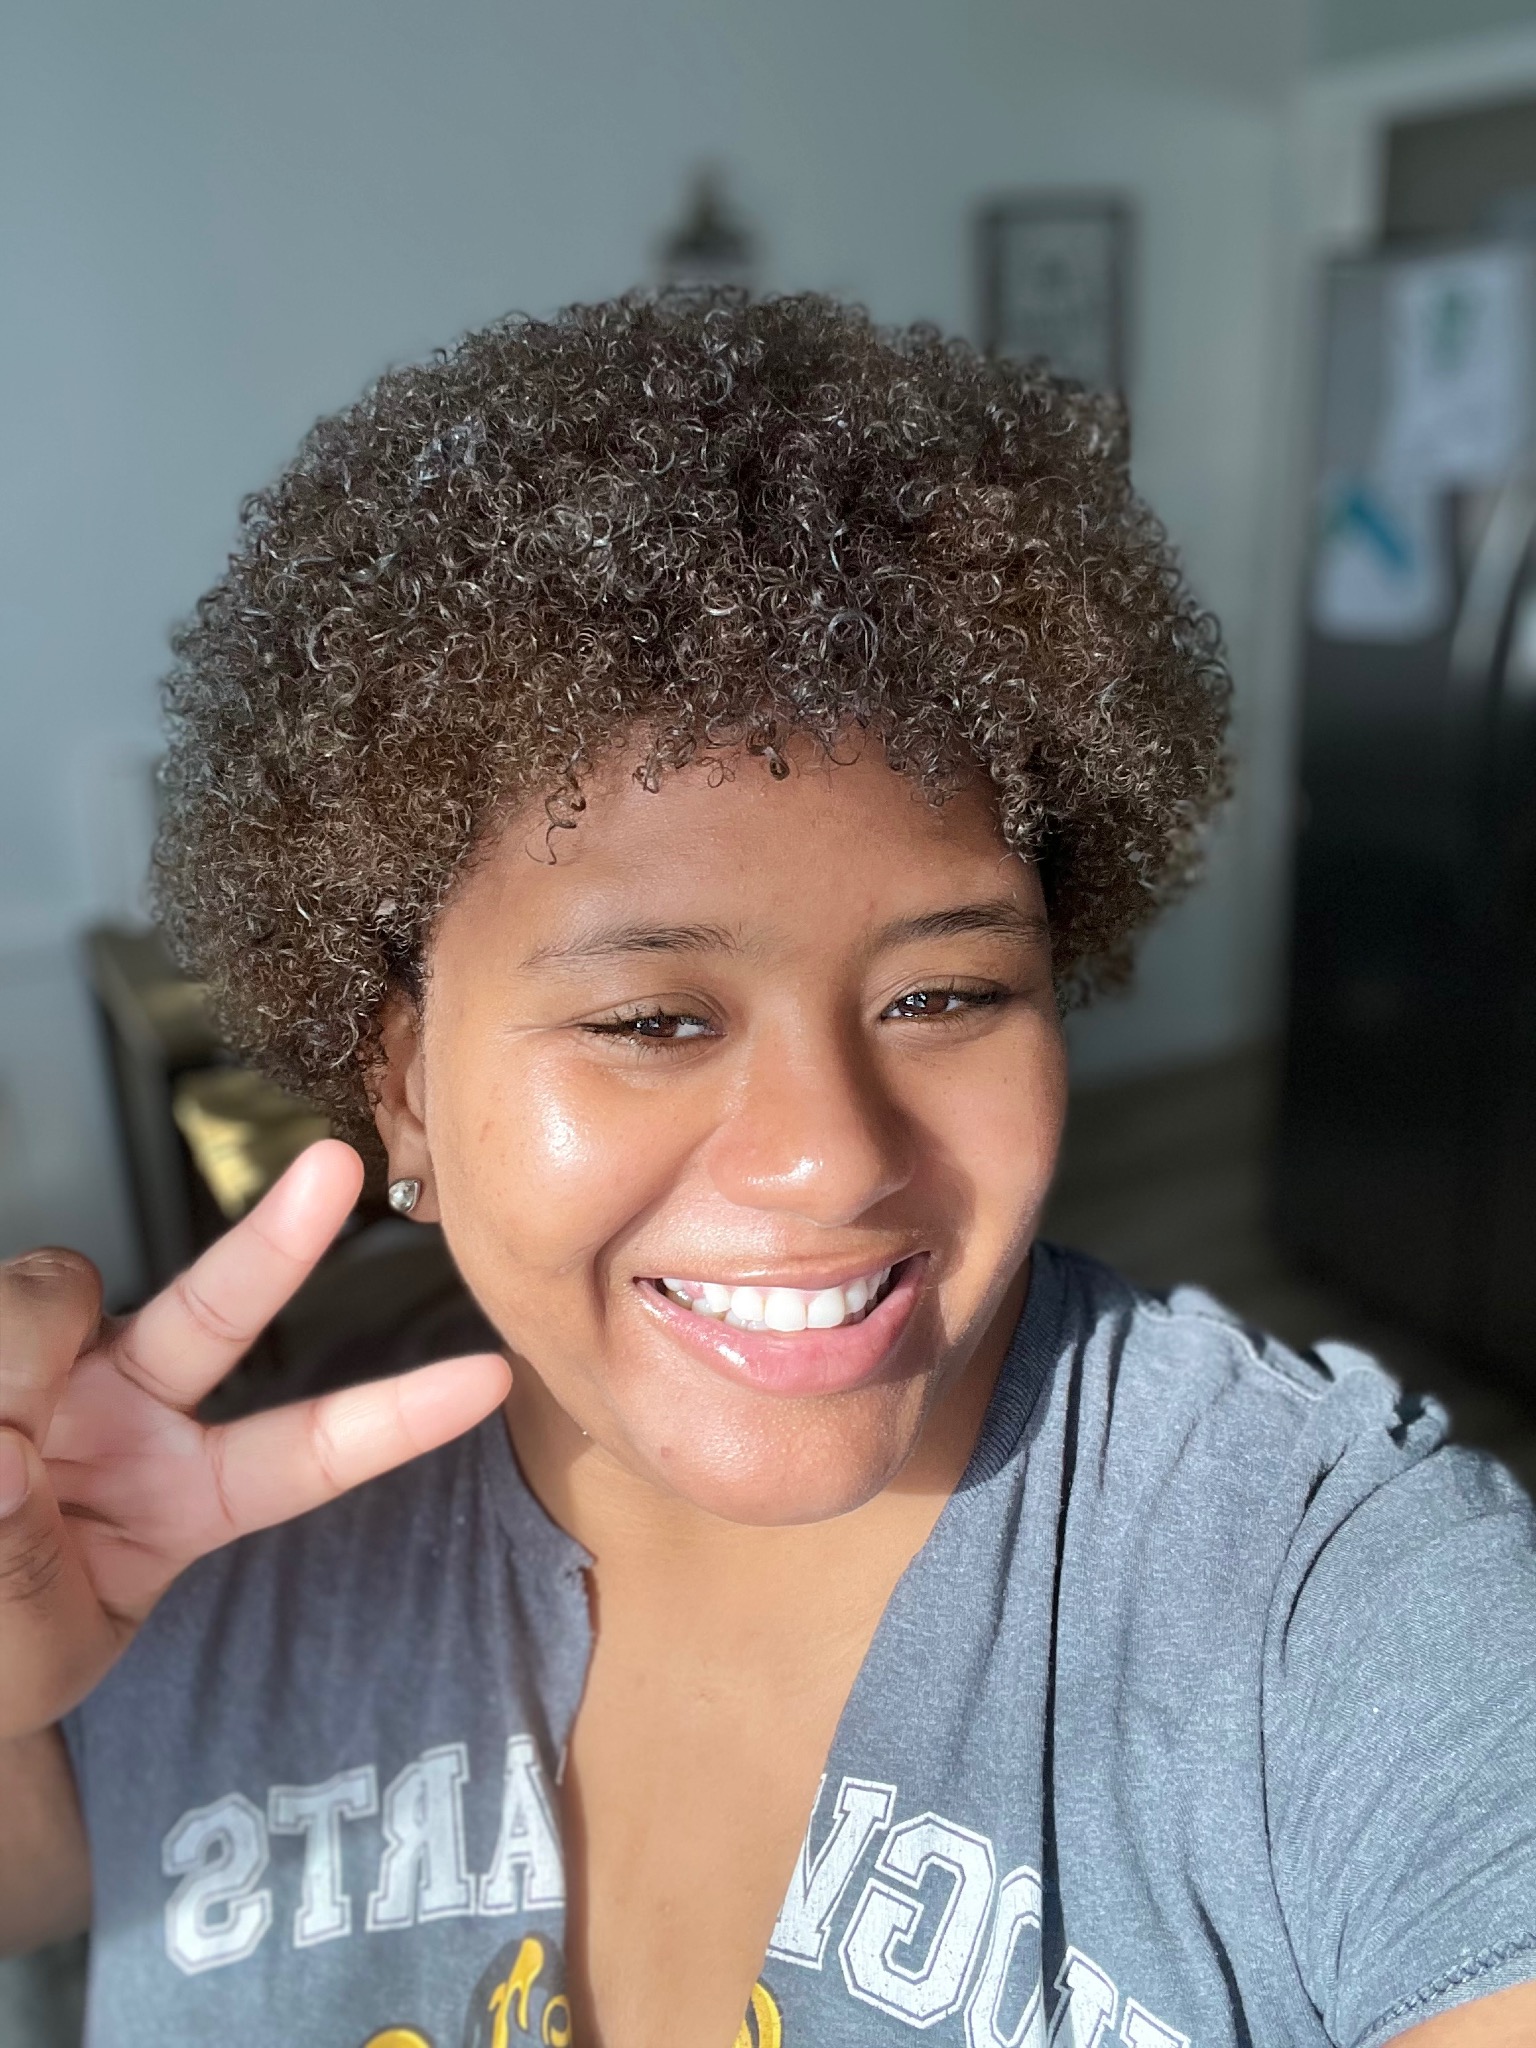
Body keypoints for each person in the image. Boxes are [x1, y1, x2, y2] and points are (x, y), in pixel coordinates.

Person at [1, 292, 1532, 2048]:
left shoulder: (1328, 1610)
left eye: (945, 995)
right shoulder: (172, 1540)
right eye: (652, 1018)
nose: (828, 1160)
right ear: (402, 1085)